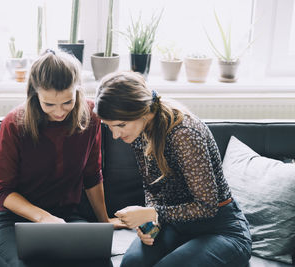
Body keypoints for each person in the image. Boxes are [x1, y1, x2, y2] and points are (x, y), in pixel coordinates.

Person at [94, 71, 252, 267]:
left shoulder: (183, 134)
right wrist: (151, 224)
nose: (115, 135)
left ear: (142, 111)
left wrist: (153, 213)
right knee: (131, 264)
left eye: (120, 125)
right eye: (109, 126)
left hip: (221, 230)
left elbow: (207, 206)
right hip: (177, 225)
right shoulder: (139, 132)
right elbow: (152, 187)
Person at [0, 50, 124, 267]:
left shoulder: (90, 116)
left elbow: (91, 175)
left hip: (67, 217)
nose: (59, 112)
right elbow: (2, 191)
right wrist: (43, 218)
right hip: (14, 222)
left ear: (78, 90)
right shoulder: (13, 124)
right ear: (34, 94)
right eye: (49, 104)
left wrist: (104, 221)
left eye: (67, 102)